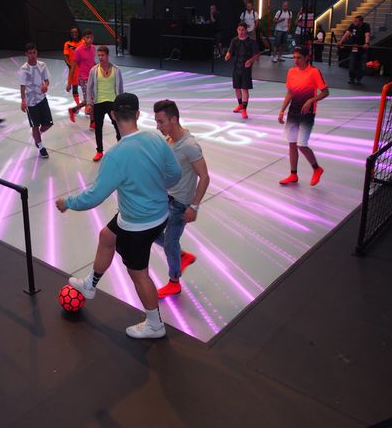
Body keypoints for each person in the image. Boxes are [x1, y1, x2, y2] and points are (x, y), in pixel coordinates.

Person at [56, 93, 182, 339]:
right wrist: (155, 186)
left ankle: (155, 325)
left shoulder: (115, 155)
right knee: (106, 235)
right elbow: (175, 175)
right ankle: (90, 285)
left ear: (113, 116)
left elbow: (93, 197)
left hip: (137, 225)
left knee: (139, 274)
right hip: (158, 215)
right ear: (137, 114)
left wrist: (66, 202)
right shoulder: (156, 138)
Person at [152, 99, 210, 298]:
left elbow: (204, 177)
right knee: (153, 233)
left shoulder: (190, 146)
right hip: (165, 199)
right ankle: (182, 255)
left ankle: (174, 281)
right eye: (157, 122)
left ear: (174, 119)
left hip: (180, 204)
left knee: (169, 243)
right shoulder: (170, 140)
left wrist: (194, 206)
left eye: (161, 122)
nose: (157, 126)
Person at [277, 46, 329, 186]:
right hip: (293, 113)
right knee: (292, 144)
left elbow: (325, 92)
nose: (295, 60)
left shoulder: (314, 72)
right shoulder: (291, 72)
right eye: (294, 57)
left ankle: (317, 169)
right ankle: (293, 175)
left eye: (299, 57)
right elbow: (290, 93)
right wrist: (282, 111)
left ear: (307, 57)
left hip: (307, 114)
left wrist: (310, 101)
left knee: (301, 145)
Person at [86, 45, 123, 162]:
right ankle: (99, 151)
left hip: (113, 102)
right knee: (98, 128)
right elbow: (89, 88)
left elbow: (120, 88)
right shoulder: (94, 70)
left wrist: (121, 103)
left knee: (118, 126)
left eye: (103, 55)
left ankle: (121, 148)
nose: (100, 57)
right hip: (98, 102)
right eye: (99, 55)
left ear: (107, 56)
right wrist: (89, 103)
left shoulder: (116, 70)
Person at [19, 42, 53, 159]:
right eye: (30, 53)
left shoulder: (42, 65)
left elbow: (47, 80)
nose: (32, 55)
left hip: (42, 98)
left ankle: (37, 134)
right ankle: (40, 146)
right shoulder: (24, 69)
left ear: (36, 52)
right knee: (35, 126)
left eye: (34, 52)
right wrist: (23, 101)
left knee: (48, 124)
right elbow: (22, 86)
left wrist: (45, 85)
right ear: (26, 54)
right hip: (31, 102)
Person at [224, 22, 260, 119]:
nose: (241, 32)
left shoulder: (251, 41)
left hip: (246, 68)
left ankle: (244, 108)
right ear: (237, 30)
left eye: (242, 30)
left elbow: (257, 54)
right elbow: (230, 51)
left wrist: (250, 60)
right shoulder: (234, 40)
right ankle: (240, 104)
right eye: (239, 30)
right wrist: (228, 55)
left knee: (245, 88)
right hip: (236, 67)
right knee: (237, 88)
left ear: (246, 30)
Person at [67, 29, 97, 130]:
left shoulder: (93, 48)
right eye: (87, 37)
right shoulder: (78, 51)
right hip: (83, 78)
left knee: (88, 99)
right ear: (83, 38)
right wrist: (69, 83)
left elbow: (92, 62)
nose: (90, 39)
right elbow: (73, 67)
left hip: (92, 76)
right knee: (91, 99)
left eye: (91, 37)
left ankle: (73, 110)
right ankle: (93, 122)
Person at [337, 15, 371, 85]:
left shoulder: (366, 26)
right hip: (354, 47)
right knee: (352, 64)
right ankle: (351, 78)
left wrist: (366, 43)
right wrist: (341, 41)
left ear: (361, 22)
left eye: (356, 21)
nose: (354, 22)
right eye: (354, 21)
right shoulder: (353, 25)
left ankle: (358, 79)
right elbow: (347, 33)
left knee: (363, 66)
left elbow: (367, 35)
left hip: (363, 49)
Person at [63, 27, 83, 107]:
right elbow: (65, 56)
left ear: (78, 33)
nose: (74, 34)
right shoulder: (67, 44)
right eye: (72, 33)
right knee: (74, 88)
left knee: (86, 88)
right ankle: (78, 105)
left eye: (76, 32)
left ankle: (87, 107)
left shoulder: (83, 42)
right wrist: (70, 65)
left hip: (82, 69)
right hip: (73, 70)